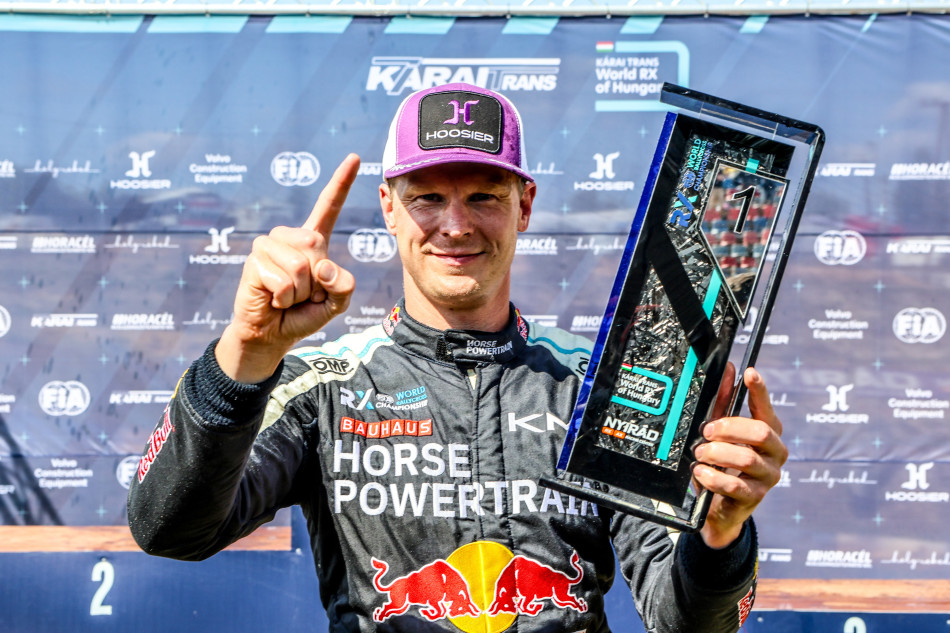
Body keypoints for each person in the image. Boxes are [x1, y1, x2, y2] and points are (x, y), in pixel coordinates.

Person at [128, 83, 787, 633]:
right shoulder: (325, 387)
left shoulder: (600, 390)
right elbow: (169, 529)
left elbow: (688, 623)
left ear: (524, 205)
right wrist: (246, 352)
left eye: (483, 196)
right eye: (427, 198)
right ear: (388, 207)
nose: (456, 225)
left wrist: (719, 535)